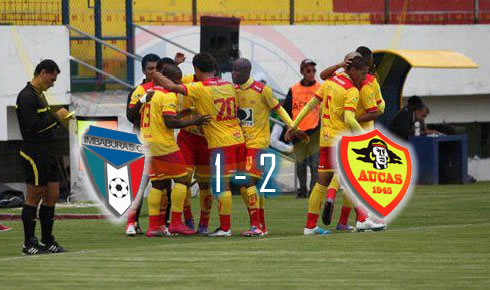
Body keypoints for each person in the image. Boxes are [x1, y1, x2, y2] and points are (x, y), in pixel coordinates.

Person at [153, 53, 252, 237]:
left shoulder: (198, 86)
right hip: (228, 137)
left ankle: (214, 226)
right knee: (186, 181)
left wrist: (155, 73)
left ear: (196, 69)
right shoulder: (229, 85)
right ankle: (188, 219)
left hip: (214, 141)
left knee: (211, 185)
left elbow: (169, 85)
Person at [286, 56, 374, 235]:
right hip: (341, 140)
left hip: (325, 140)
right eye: (363, 73)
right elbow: (349, 118)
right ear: (353, 70)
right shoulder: (351, 90)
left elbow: (311, 105)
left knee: (321, 184)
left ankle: (310, 227)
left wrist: (294, 125)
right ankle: (364, 220)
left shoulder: (329, 82)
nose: (364, 78)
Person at [135, 64, 210, 236]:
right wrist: (194, 121)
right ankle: (176, 222)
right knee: (183, 180)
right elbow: (169, 122)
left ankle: (154, 226)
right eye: (176, 82)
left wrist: (183, 113)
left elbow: (161, 118)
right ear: (168, 80)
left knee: (158, 185)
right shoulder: (168, 95)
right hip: (164, 145)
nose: (178, 87)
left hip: (148, 144)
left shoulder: (151, 95)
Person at [232, 58, 296, 235]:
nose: (232, 74)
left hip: (257, 143)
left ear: (246, 72)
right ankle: (261, 225)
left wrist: (291, 125)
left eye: (236, 71)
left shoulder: (262, 90)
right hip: (240, 143)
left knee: (247, 182)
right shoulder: (233, 90)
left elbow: (279, 109)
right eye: (232, 70)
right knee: (248, 187)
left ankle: (255, 226)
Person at [16, 59, 70, 254]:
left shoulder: (39, 95)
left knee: (52, 195)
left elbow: (45, 123)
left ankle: (47, 239)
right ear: (43, 73)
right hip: (34, 152)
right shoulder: (26, 96)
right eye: (52, 79)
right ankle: (28, 242)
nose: (53, 83)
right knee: (34, 195)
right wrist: (56, 117)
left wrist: (59, 120)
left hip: (49, 151)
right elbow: (32, 128)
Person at [282, 59, 321, 198]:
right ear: (302, 72)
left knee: (315, 165)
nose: (312, 73)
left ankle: (313, 192)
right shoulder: (293, 89)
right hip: (298, 133)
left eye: (313, 70)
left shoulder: (320, 88)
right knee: (300, 165)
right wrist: (290, 129)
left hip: (315, 132)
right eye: (308, 71)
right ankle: (302, 190)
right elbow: (285, 111)